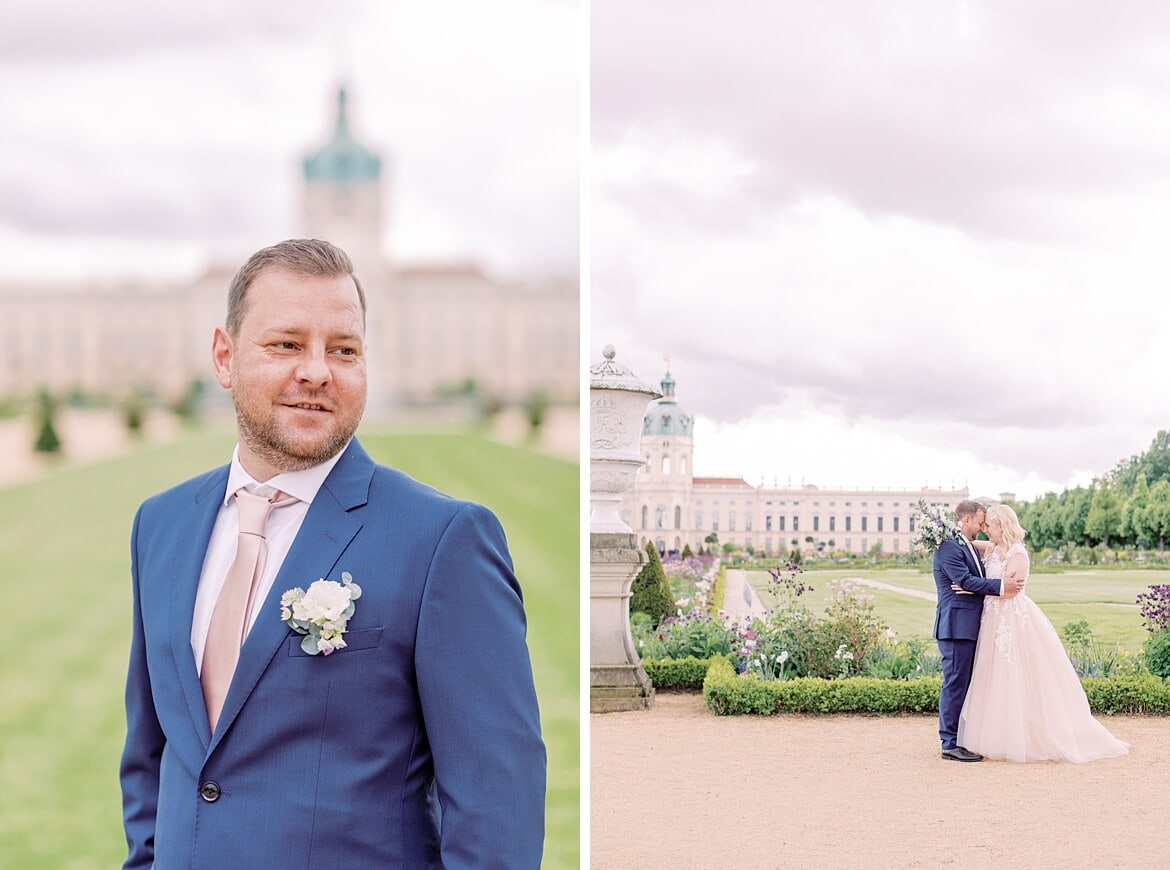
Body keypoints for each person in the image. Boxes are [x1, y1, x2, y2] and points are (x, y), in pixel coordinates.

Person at [119, 239, 546, 868]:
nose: (318, 370)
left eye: (343, 350)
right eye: (287, 344)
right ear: (225, 356)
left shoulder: (443, 541)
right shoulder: (160, 525)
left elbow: (495, 810)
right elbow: (152, 758)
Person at [957, 504, 1129, 763]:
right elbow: (968, 546)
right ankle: (997, 735)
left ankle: (1030, 735)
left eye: (989, 526)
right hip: (992, 619)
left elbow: (1012, 590)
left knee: (1018, 675)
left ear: (1002, 526)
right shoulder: (991, 548)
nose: (985, 530)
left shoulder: (1018, 553)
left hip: (1011, 620)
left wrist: (975, 589)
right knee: (992, 677)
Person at [931, 499, 1025, 762]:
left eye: (988, 523)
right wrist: (997, 585)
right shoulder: (950, 546)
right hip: (956, 628)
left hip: (969, 626)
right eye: (981, 522)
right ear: (967, 520)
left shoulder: (966, 545)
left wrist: (973, 584)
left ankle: (959, 738)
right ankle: (949, 743)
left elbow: (970, 578)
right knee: (955, 685)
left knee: (965, 685)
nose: (984, 526)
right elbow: (963, 580)